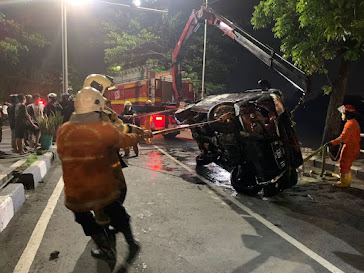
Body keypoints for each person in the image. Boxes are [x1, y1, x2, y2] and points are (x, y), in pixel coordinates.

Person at [57, 87, 142, 264]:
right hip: (102, 188)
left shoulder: (64, 130)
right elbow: (125, 140)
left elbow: (62, 155)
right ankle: (131, 243)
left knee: (84, 218)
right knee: (119, 215)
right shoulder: (103, 128)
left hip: (77, 192)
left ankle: (104, 247)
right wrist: (141, 135)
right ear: (98, 105)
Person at [326, 105, 361, 187]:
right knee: (348, 165)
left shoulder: (349, 124)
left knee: (344, 165)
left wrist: (332, 143)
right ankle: (347, 182)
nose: (342, 115)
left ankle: (344, 183)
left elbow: (343, 138)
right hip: (355, 147)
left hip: (349, 148)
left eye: (343, 113)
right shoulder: (355, 123)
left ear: (347, 114)